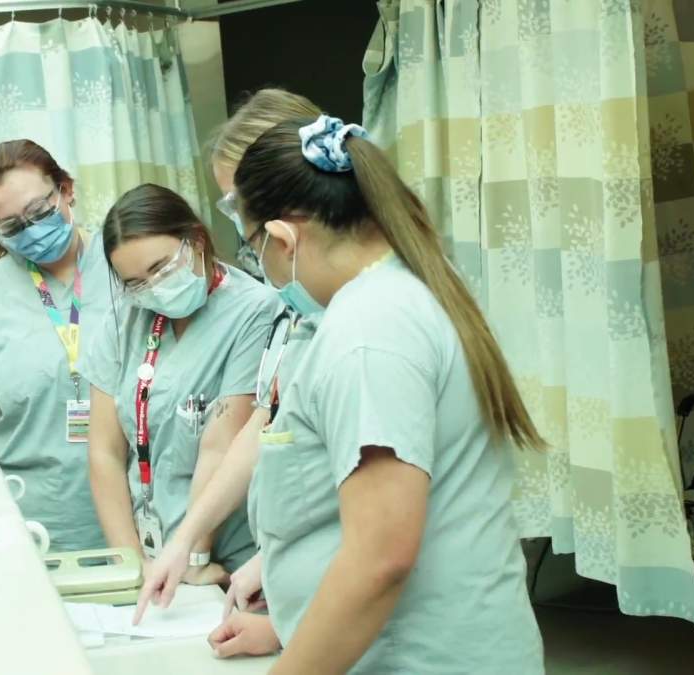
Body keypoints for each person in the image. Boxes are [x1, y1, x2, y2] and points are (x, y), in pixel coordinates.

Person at [205, 115, 547, 673]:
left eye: (254, 249)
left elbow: (380, 558)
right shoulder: (400, 296)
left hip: (416, 657)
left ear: (285, 237)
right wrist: (285, 626)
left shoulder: (370, 330)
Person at [134, 88, 323, 622]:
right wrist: (187, 540)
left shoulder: (372, 323)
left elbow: (382, 528)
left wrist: (286, 637)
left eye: (239, 205)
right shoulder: (304, 312)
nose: (238, 225)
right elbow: (265, 424)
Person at [79, 183, 283, 582]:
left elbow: (221, 445)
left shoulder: (256, 311)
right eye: (135, 282)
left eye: (161, 268)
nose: (153, 288)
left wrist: (193, 558)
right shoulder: (125, 319)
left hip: (223, 560)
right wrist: (132, 565)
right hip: (152, 556)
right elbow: (104, 452)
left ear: (196, 241)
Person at [0, 139, 112, 553]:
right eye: (11, 226)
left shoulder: (126, 266)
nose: (32, 231)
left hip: (142, 527)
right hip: (32, 535)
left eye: (39, 212)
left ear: (67, 189)